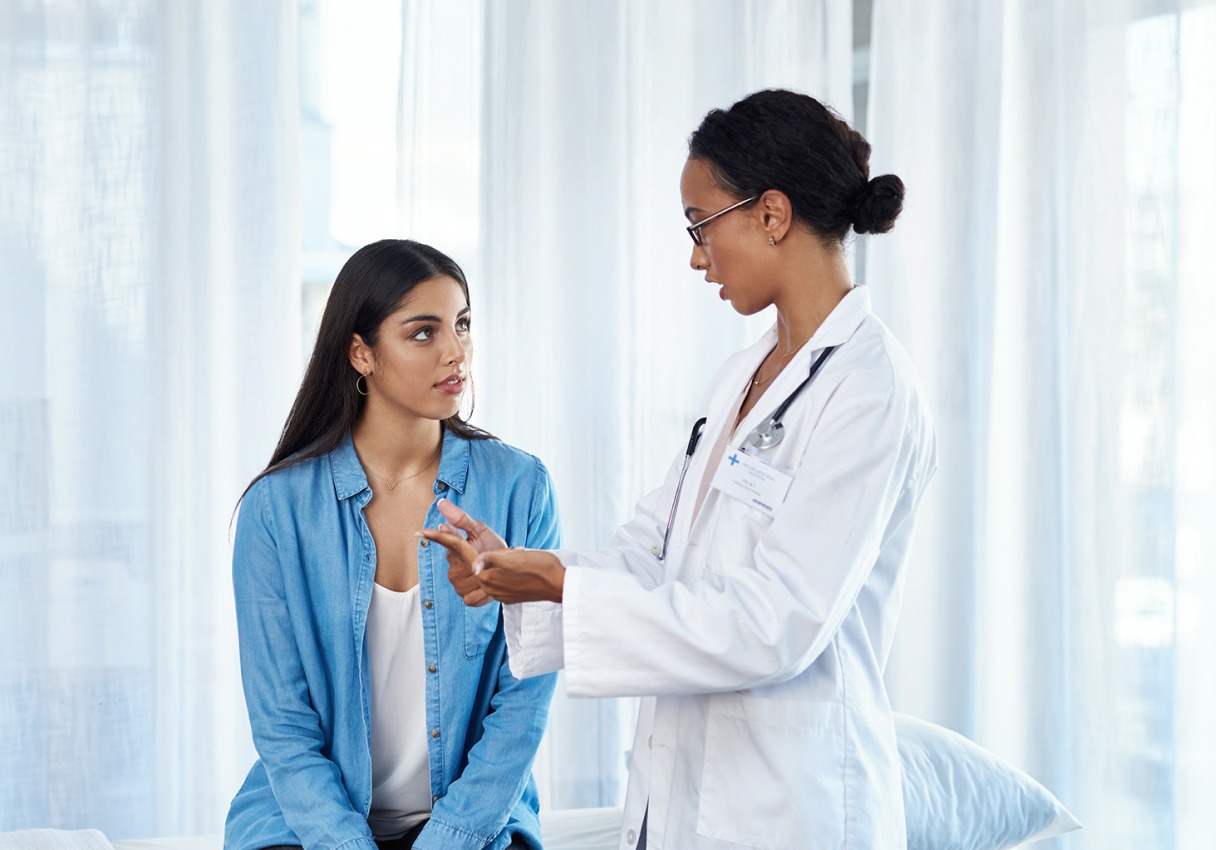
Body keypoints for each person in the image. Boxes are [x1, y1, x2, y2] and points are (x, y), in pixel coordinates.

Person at [419, 89, 937, 849]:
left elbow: (776, 622)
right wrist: (525, 568)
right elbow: (654, 548)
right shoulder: (742, 374)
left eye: (700, 226)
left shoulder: (870, 386)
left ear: (771, 213)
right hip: (689, 791)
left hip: (793, 808)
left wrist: (561, 583)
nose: (696, 256)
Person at [225, 239, 560, 850]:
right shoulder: (275, 512)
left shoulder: (520, 488)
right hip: (304, 827)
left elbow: (524, 702)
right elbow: (283, 728)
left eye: (461, 324)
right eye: (424, 333)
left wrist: (450, 839)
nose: (456, 351)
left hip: (474, 826)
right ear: (362, 353)